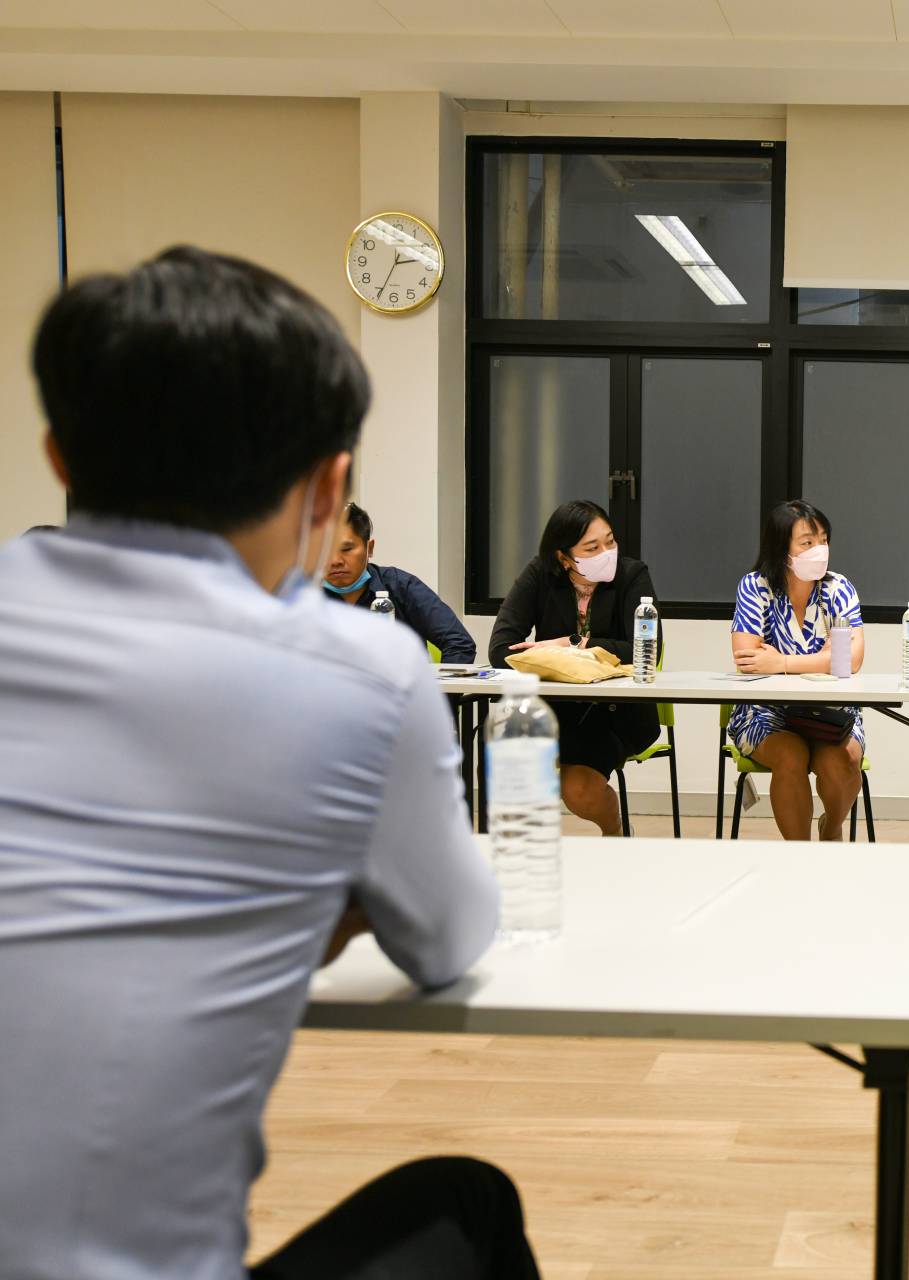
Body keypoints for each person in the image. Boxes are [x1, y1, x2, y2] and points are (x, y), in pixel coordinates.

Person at [0, 247, 536, 1278]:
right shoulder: (357, 673)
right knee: (467, 1203)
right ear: (331, 485)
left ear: (59, 455)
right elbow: (450, 936)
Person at [486, 499, 662, 837]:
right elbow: (501, 649)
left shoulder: (632, 575)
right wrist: (561, 656)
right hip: (555, 710)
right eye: (592, 548)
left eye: (610, 541)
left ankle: (617, 832)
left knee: (578, 790)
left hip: (615, 713)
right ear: (563, 557)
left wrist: (570, 644)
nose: (606, 553)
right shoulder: (539, 575)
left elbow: (642, 652)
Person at [728, 500, 866, 842]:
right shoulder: (756, 586)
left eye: (824, 540)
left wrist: (782, 663)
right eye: (807, 542)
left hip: (831, 712)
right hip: (765, 711)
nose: (819, 550)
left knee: (844, 759)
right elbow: (747, 658)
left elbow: (851, 660)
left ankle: (831, 828)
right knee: (791, 756)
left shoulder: (838, 588)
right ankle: (798, 854)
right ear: (781, 549)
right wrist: (823, 659)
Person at [324, 500, 477, 663]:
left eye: (346, 549)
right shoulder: (307, 596)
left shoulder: (400, 586)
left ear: (370, 548)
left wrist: (433, 681)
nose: (335, 561)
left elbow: (459, 644)